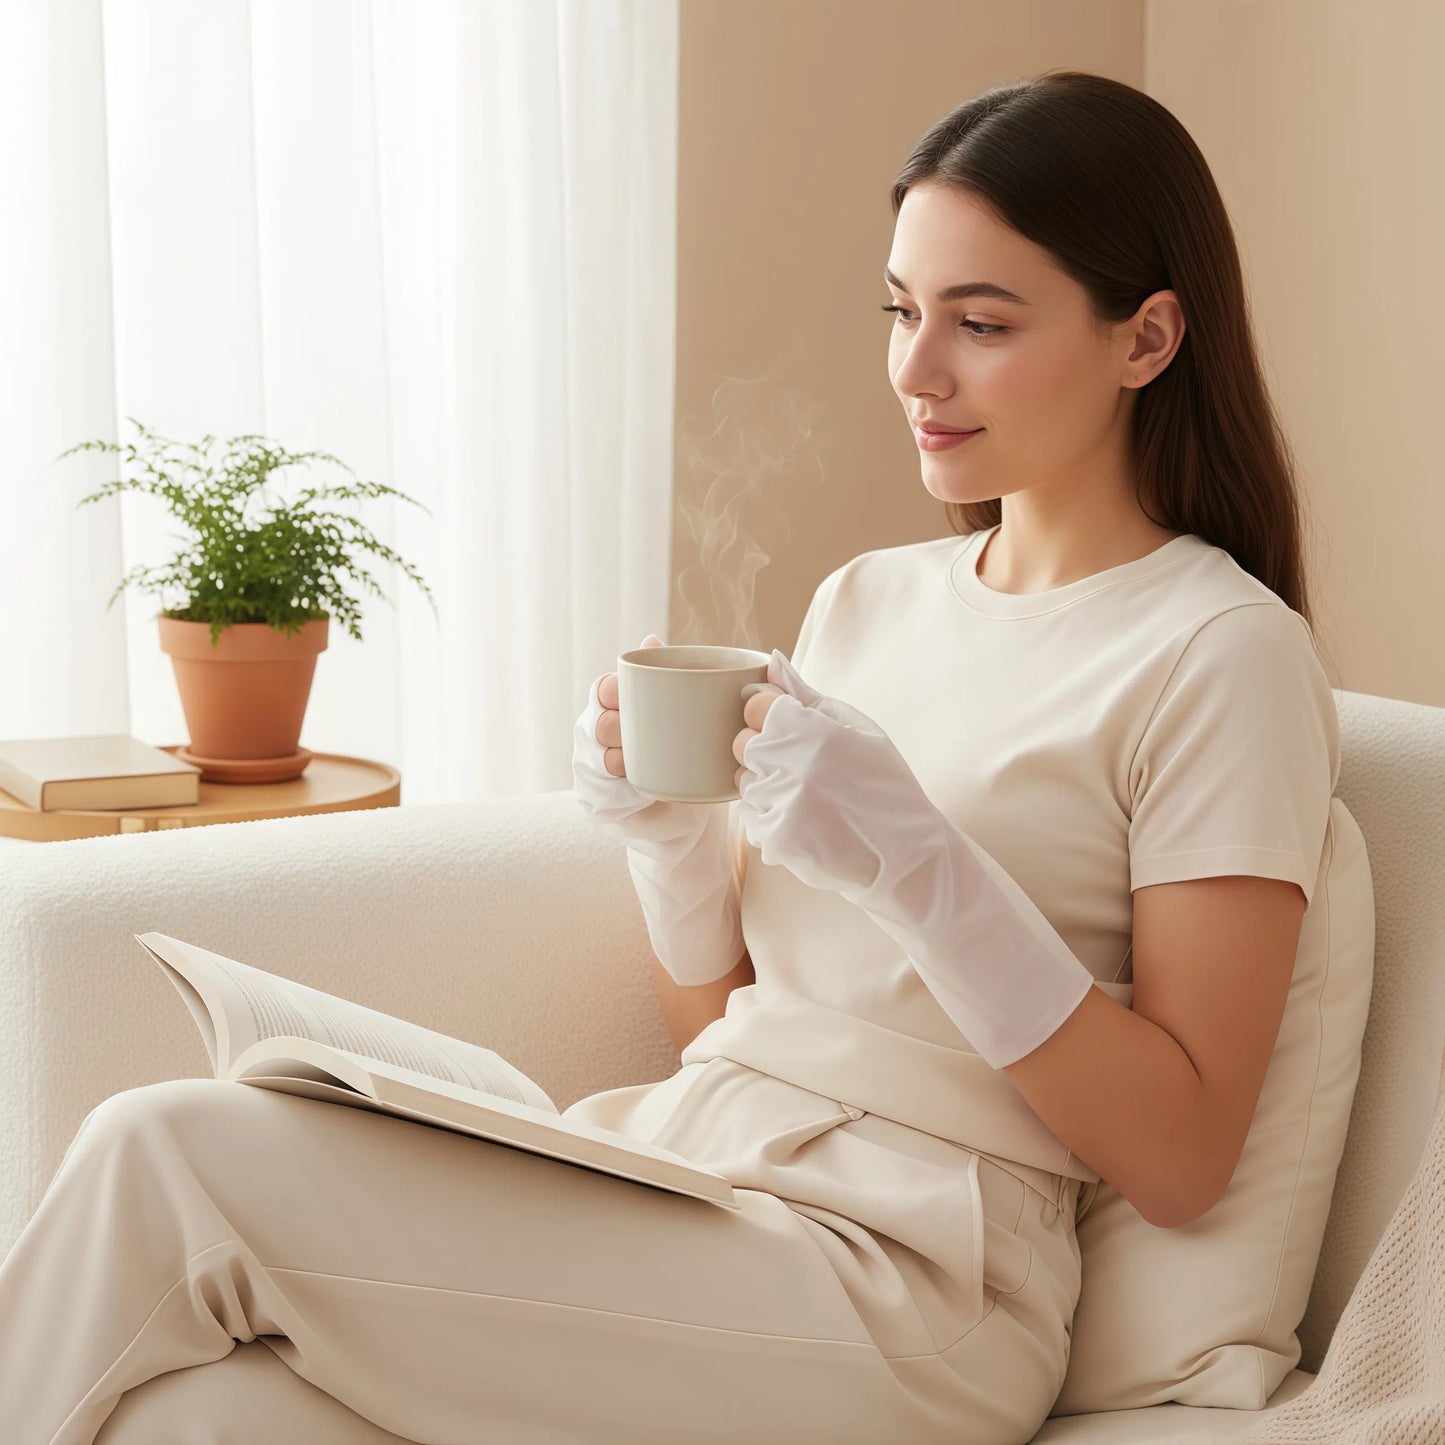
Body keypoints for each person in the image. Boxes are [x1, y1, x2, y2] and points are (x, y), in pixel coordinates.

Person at [0, 69, 1339, 1445]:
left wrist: (919, 864)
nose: (914, 369)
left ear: (1147, 337)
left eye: (980, 323)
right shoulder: (866, 599)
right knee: (209, 1411)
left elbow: (1181, 1153)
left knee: (166, 1153)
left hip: (917, 1289)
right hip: (699, 1172)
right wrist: (672, 847)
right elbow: (730, 1030)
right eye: (898, 310)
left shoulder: (1219, 652)